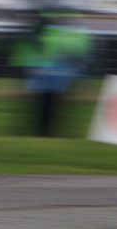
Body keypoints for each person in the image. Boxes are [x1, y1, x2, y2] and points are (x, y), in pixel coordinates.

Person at [10, 10, 94, 138]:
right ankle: (47, 133)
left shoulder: (42, 35)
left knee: (40, 108)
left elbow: (30, 55)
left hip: (44, 77)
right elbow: (78, 57)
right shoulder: (70, 35)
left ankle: (39, 132)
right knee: (52, 109)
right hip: (58, 78)